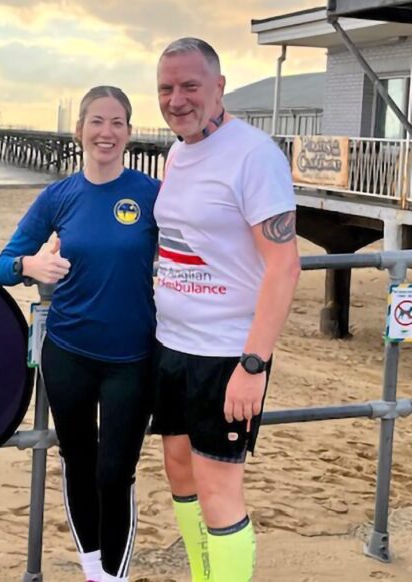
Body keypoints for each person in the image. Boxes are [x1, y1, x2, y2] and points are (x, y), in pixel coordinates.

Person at [0, 86, 160, 582]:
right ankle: (94, 573)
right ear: (79, 130)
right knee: (79, 463)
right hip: (68, 353)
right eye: (97, 122)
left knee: (115, 473)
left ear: (129, 132)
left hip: (133, 357)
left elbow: (198, 249)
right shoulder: (58, 196)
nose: (106, 132)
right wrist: (30, 265)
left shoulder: (153, 194)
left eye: (117, 122)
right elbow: (2, 264)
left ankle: (114, 576)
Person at [150, 38, 301, 582]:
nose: (177, 100)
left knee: (219, 488)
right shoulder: (178, 153)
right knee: (179, 470)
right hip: (172, 344)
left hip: (226, 353)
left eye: (190, 86)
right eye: (166, 88)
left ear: (219, 87)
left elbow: (285, 265)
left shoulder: (253, 154)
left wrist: (253, 365)